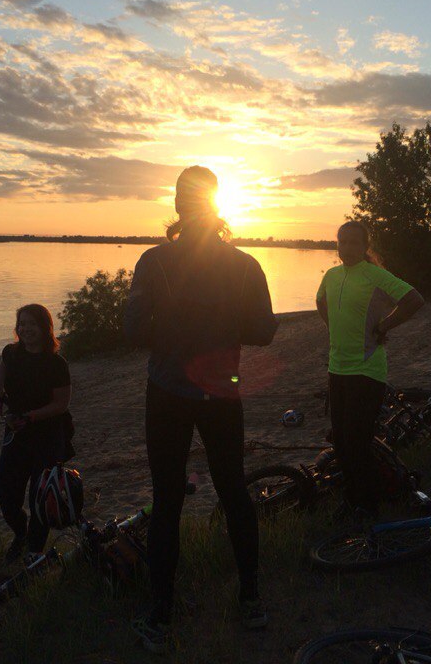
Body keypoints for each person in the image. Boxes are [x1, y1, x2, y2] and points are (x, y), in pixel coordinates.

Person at [124, 166, 278, 654]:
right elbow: (264, 331)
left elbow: (132, 329)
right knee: (233, 491)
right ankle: (250, 598)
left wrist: (174, 328)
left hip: (167, 392)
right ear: (216, 203)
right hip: (221, 392)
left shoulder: (154, 261)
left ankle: (161, 613)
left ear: (177, 205)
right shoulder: (245, 264)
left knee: (167, 499)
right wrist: (221, 327)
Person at [315, 220, 424, 518]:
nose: (347, 247)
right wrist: (332, 327)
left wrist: (384, 325)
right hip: (337, 369)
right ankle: (353, 500)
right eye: (342, 241)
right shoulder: (332, 276)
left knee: (357, 442)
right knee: (341, 441)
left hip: (367, 371)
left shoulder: (374, 275)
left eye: (354, 242)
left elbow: (414, 300)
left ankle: (367, 505)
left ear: (365, 247)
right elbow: (320, 302)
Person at [0, 304, 72, 564]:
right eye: (22, 323)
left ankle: (34, 550)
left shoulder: (56, 364)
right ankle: (20, 533)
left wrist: (29, 417)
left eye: (32, 324)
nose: (25, 329)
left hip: (48, 436)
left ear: (45, 327)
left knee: (41, 496)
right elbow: (3, 367)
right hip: (16, 434)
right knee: (7, 495)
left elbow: (61, 404)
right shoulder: (11, 353)